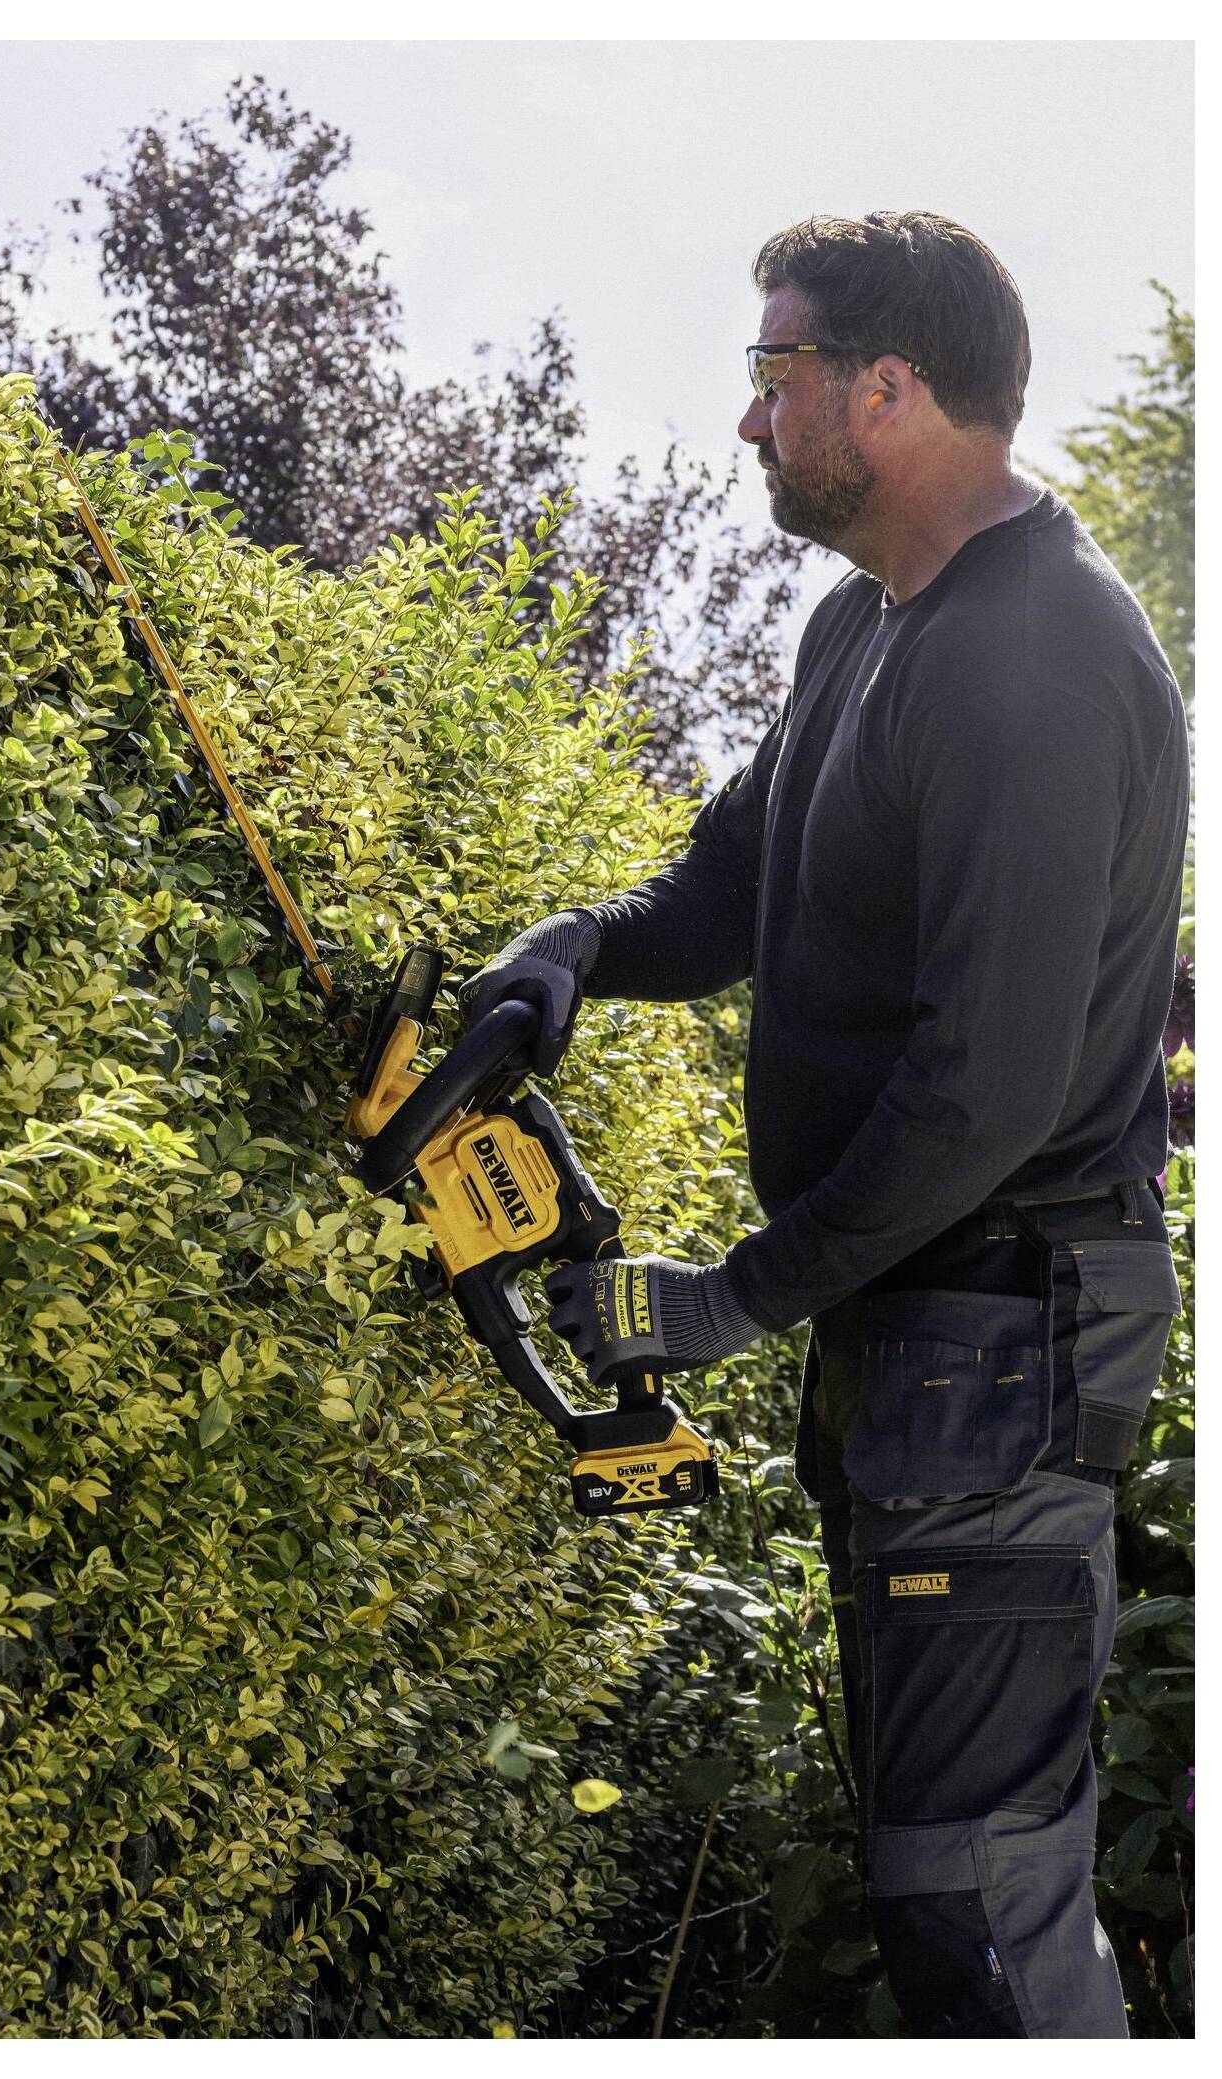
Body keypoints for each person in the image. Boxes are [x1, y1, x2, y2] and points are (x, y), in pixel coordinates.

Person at [462, 212, 1189, 2039]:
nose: (747, 419)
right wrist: (575, 950)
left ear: (888, 389)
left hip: (1004, 1314)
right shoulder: (862, 626)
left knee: (975, 1894)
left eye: (770, 371)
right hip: (926, 1320)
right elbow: (729, 883)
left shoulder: (1036, 655)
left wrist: (735, 1295)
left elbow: (988, 1087)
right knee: (934, 1882)